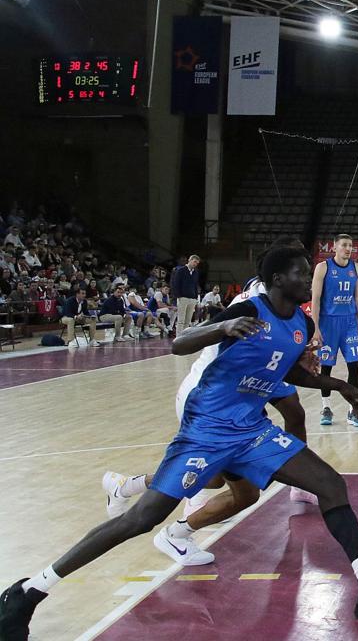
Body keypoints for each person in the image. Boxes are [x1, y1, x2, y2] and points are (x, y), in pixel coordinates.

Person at [0, 247, 358, 638]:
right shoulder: (248, 308)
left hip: (251, 430)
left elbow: (286, 374)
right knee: (142, 519)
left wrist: (336, 384)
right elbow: (178, 344)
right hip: (206, 428)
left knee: (332, 486)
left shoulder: (303, 322)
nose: (307, 280)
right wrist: (223, 326)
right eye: (301, 273)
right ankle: (29, 590)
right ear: (278, 279)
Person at [102, 238, 320, 565]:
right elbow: (191, 342)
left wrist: (299, 357)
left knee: (236, 477)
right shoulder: (259, 304)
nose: (306, 274)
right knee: (221, 478)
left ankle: (131, 490)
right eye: (300, 266)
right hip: (208, 395)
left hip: (232, 392)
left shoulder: (275, 302)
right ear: (280, 271)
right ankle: (165, 520)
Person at [311, 234, 358, 428]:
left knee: (354, 366)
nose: (348, 248)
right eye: (344, 245)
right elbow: (316, 300)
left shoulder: (356, 268)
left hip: (349, 323)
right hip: (328, 324)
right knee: (326, 367)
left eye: (350, 245)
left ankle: (354, 410)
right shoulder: (323, 268)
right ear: (334, 247)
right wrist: (315, 328)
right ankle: (326, 407)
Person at [170, 255, 202, 335]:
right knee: (181, 320)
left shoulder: (195, 272)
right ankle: (178, 338)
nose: (195, 264)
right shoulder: (180, 270)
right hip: (183, 298)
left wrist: (195, 297)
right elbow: (175, 284)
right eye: (194, 261)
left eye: (197, 263)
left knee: (188, 320)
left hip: (192, 298)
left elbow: (195, 285)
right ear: (189, 260)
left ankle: (184, 337)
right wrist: (178, 296)